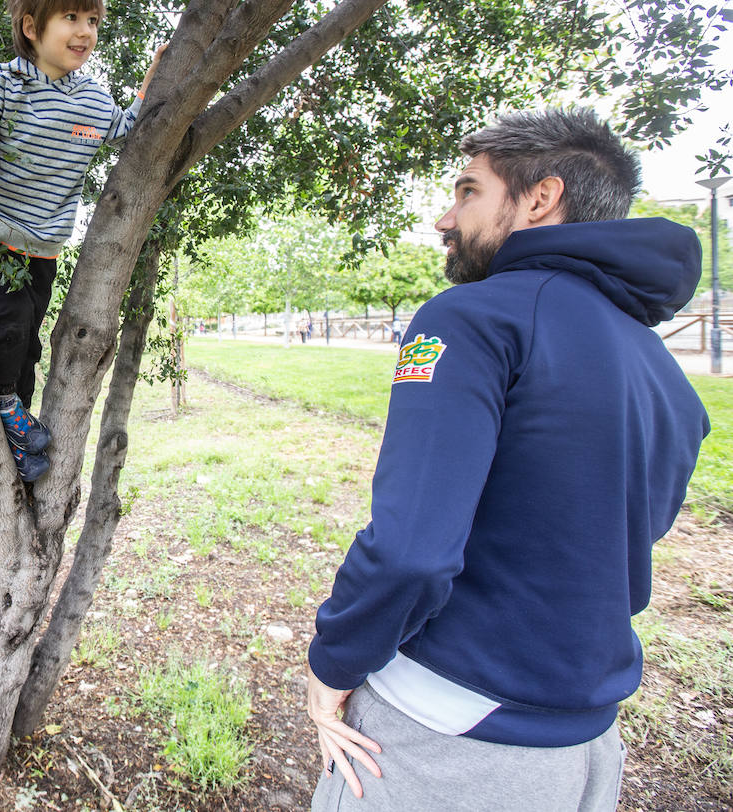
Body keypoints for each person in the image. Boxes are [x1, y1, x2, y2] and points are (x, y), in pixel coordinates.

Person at [304, 109, 709, 811]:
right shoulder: (663, 372)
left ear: (540, 198)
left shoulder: (470, 318)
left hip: (448, 737)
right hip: (586, 748)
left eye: (467, 192)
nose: (443, 218)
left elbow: (411, 553)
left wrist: (333, 661)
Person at [0, 0, 164, 482]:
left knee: (28, 343)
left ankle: (15, 437)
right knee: (6, 330)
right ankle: (5, 412)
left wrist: (154, 79)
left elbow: (127, 129)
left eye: (93, 21)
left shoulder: (94, 98)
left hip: (46, 248)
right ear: (32, 27)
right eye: (71, 19)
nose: (85, 32)